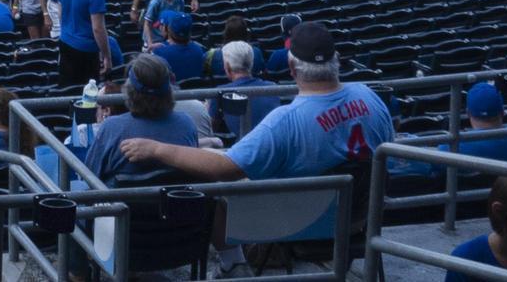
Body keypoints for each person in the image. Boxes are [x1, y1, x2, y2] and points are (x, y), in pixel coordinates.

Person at [116, 22, 393, 251]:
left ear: (292, 68)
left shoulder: (286, 121)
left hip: (303, 227)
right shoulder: (370, 96)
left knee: (214, 188)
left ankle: (233, 265)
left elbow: (225, 170)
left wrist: (156, 149)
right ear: (337, 62)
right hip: (362, 220)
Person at [82, 55, 201, 182]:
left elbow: (89, 177)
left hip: (122, 202)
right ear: (169, 91)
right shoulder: (186, 124)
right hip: (176, 202)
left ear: (130, 92)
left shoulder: (112, 127)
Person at [56, 0, 111, 88]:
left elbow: (60, 13)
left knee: (67, 91)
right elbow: (98, 28)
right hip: (86, 52)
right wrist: (106, 56)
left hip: (65, 43)